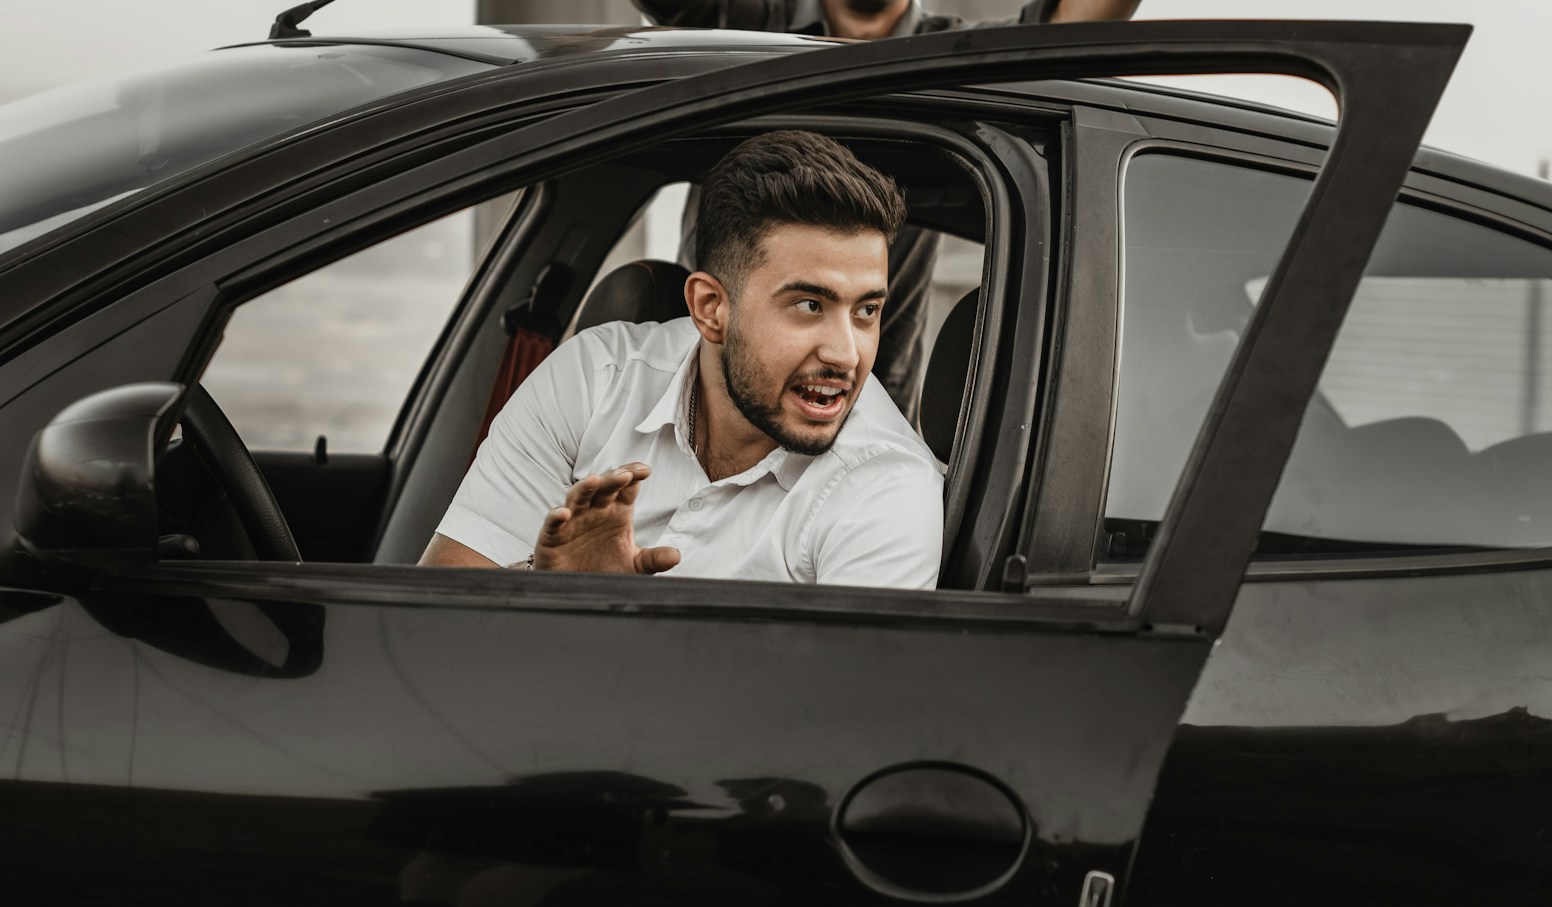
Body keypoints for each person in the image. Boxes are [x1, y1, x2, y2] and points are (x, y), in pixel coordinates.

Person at [419, 130, 944, 589]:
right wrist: (546, 586)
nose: (846, 354)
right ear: (710, 307)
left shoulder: (886, 485)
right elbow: (433, 622)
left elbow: (839, 703)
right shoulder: (595, 378)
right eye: (810, 306)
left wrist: (593, 616)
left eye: (867, 310)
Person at [635, 0, 1142, 420]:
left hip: (854, 409)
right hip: (706, 393)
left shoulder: (959, 57)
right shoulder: (745, 21)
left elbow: (1072, 27)